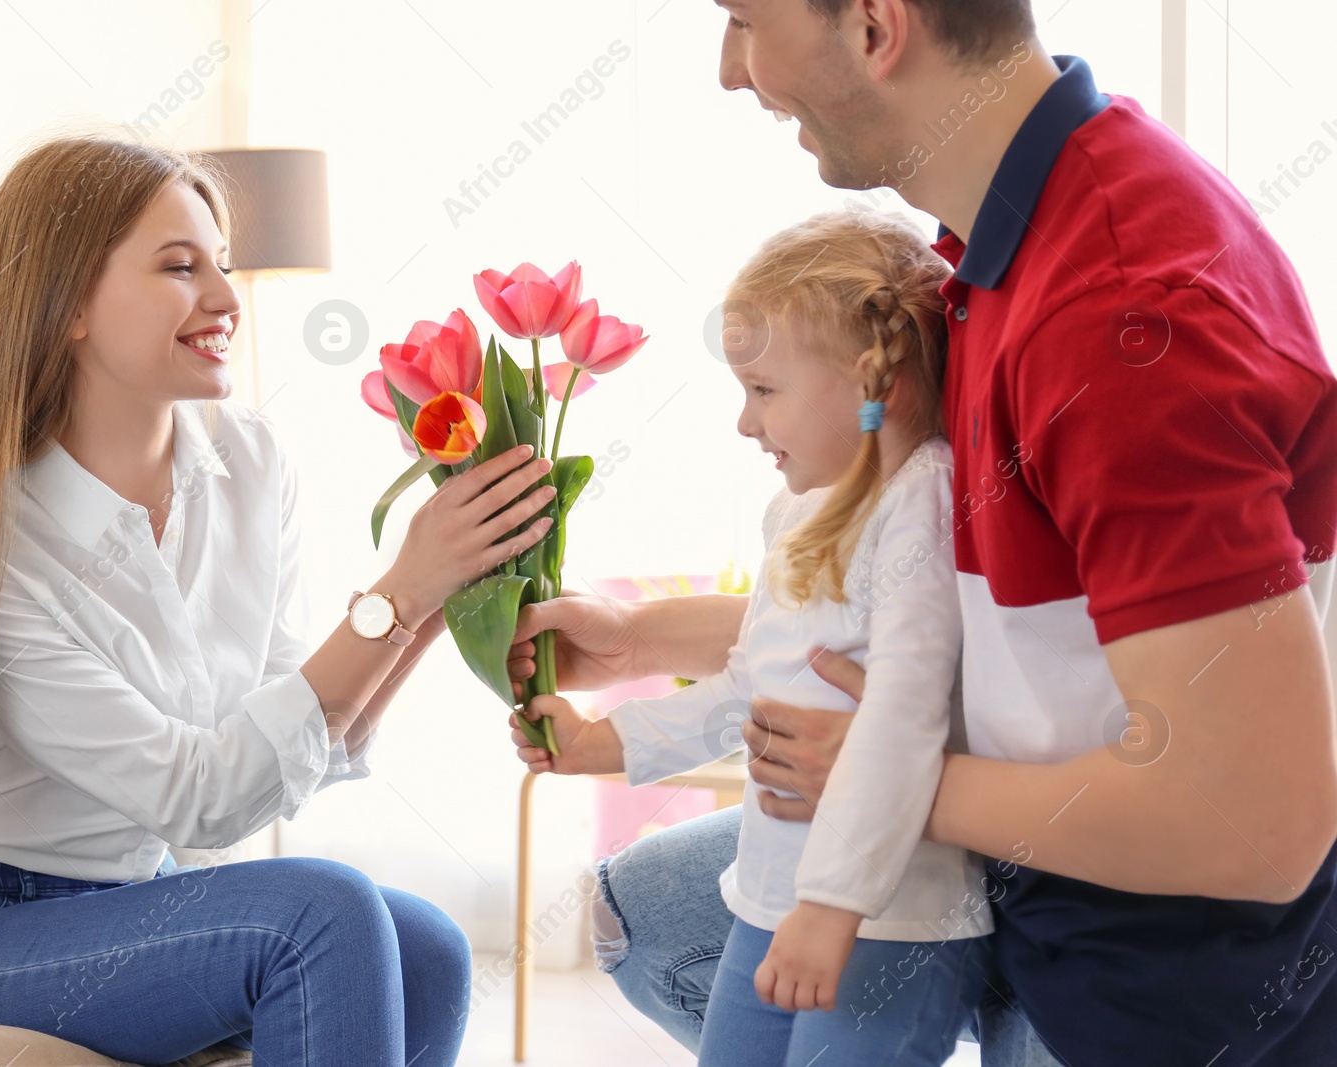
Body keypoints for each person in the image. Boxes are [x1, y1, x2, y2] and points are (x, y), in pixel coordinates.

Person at [508, 2, 1337, 1064]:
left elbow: (1254, 827)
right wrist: (641, 642)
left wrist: (886, 775)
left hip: (1147, 954)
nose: (729, 70)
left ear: (872, 25)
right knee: (648, 906)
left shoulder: (1123, 316)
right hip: (1019, 853)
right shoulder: (1001, 237)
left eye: (743, 20)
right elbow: (959, 616)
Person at [0, 135, 557, 1067]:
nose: (225, 297)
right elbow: (199, 796)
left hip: (129, 897)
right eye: (180, 266)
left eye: (224, 263)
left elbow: (283, 717)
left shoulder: (250, 462)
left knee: (429, 947)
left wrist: (434, 600)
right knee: (317, 914)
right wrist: (396, 592)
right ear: (67, 305)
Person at [514, 209, 994, 1065]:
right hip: (770, 903)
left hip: (889, 920)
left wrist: (834, 906)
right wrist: (602, 742)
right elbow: (748, 685)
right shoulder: (798, 508)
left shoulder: (921, 507)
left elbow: (905, 718)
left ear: (872, 380)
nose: (745, 421)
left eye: (765, 390)